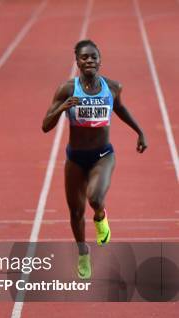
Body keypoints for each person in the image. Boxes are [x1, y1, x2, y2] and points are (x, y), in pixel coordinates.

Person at [42, 39, 147, 279]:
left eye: (93, 57)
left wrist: (139, 131)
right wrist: (62, 109)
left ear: (100, 60)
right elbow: (45, 126)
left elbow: (119, 109)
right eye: (84, 57)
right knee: (76, 213)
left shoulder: (113, 87)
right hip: (75, 158)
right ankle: (83, 253)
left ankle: (101, 217)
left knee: (95, 197)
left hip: (103, 155)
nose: (89, 61)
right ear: (77, 62)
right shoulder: (67, 89)